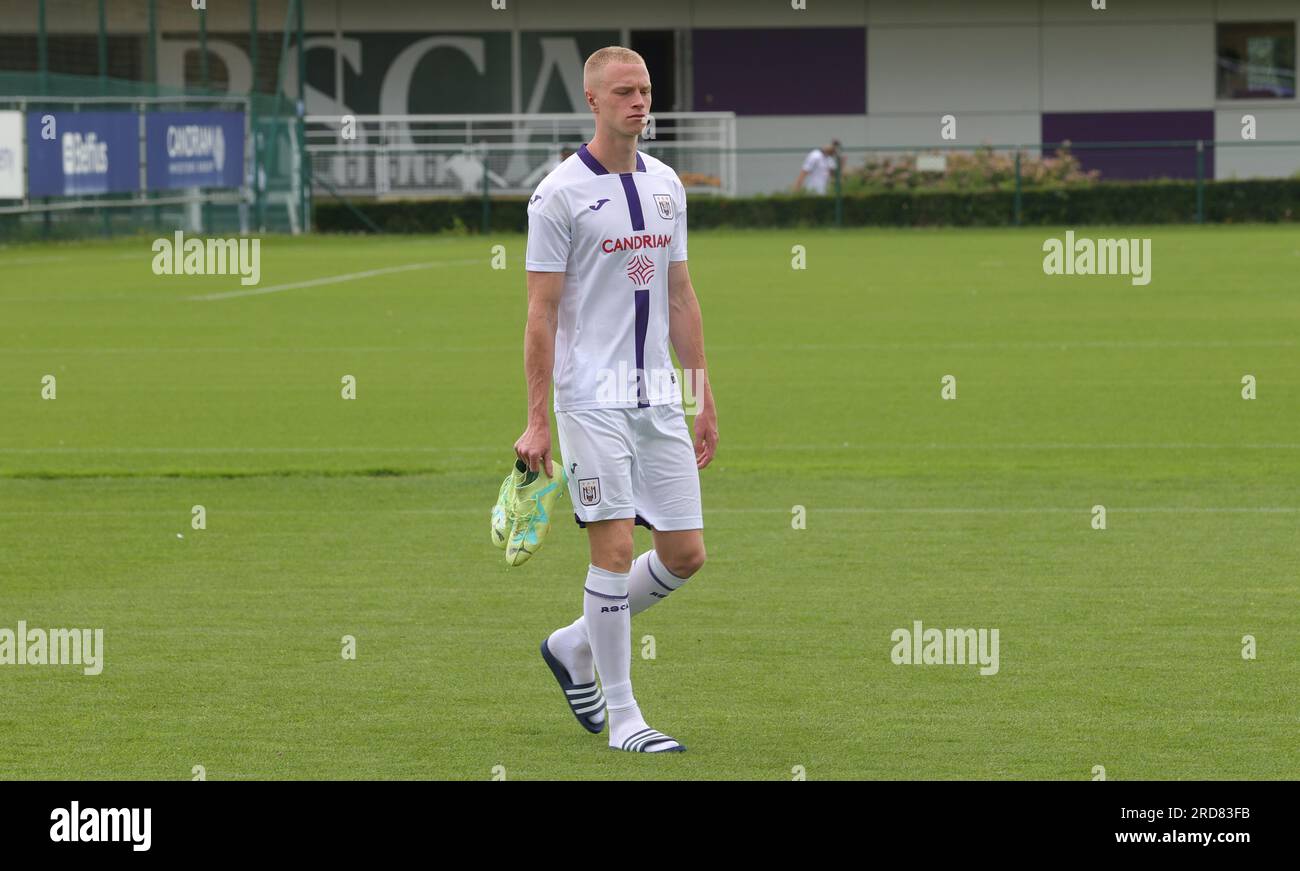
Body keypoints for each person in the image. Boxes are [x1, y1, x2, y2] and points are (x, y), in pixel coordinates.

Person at [517, 45, 718, 754]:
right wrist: (537, 418)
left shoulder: (667, 184)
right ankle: (626, 718)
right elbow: (540, 313)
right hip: (589, 401)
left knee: (687, 552)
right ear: (593, 101)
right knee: (614, 546)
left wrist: (701, 392)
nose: (640, 101)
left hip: (659, 396)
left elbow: (680, 292)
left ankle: (574, 643)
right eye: (625, 91)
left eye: (646, 89)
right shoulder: (558, 194)